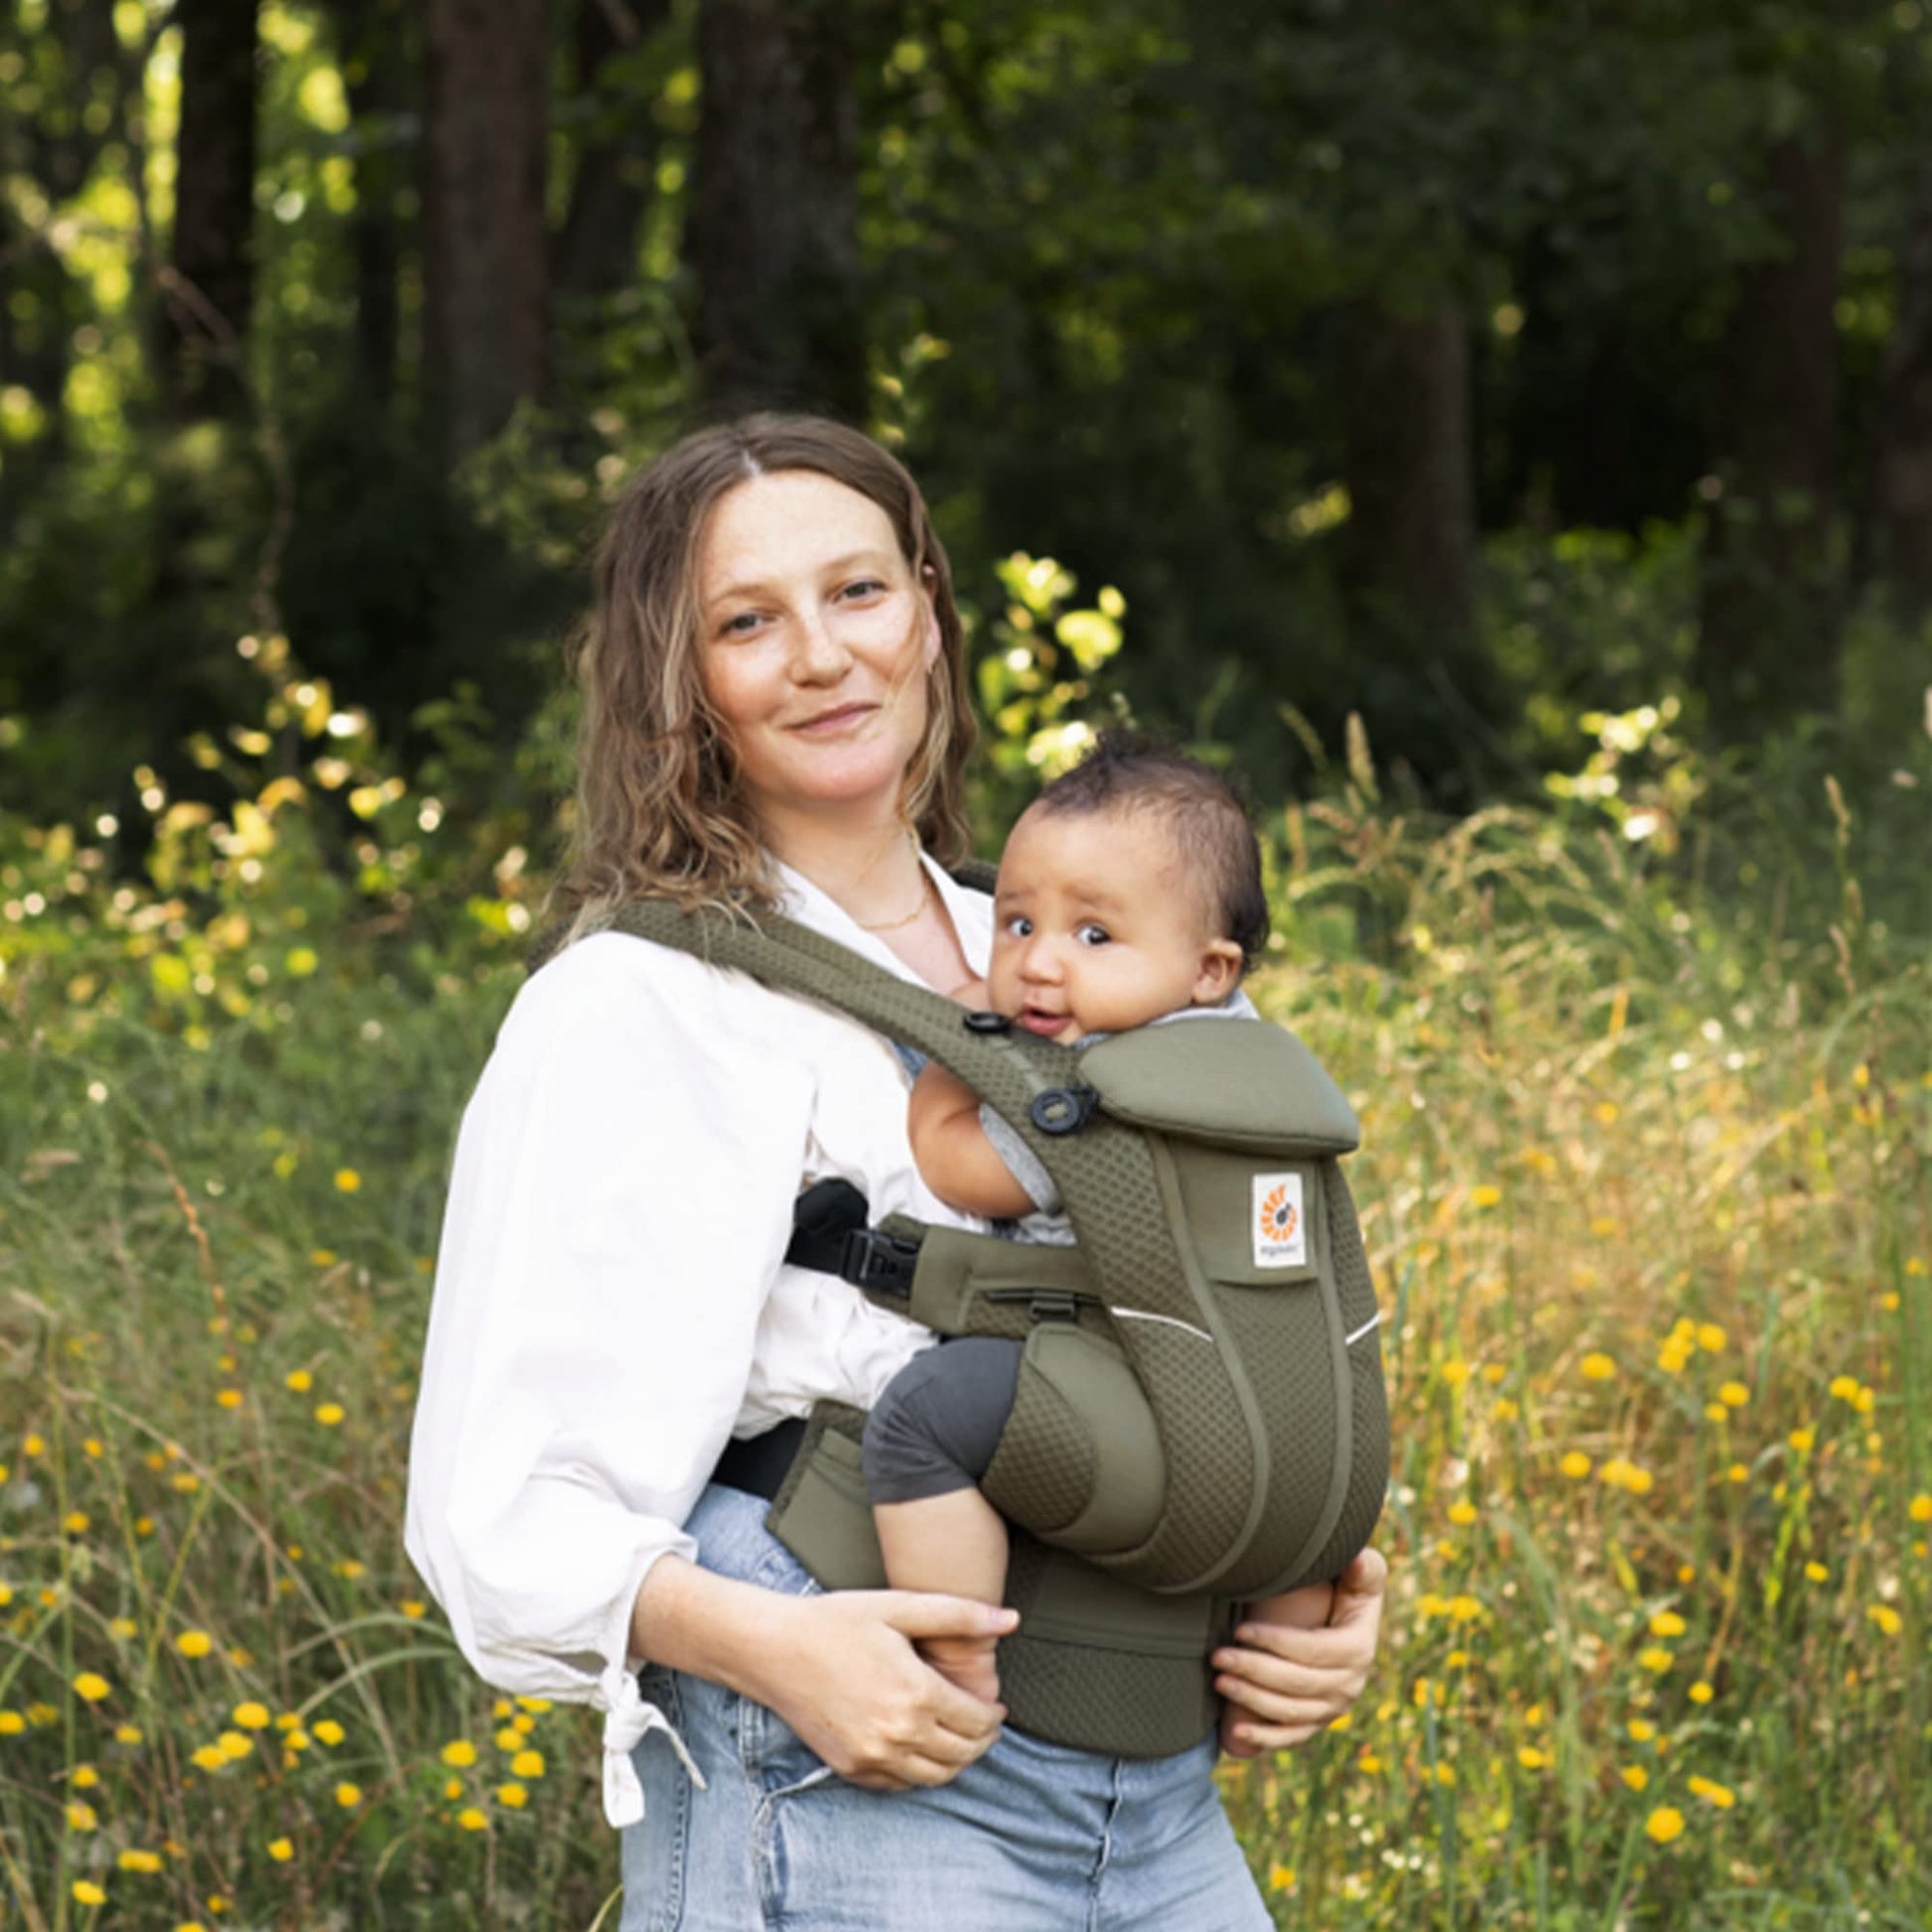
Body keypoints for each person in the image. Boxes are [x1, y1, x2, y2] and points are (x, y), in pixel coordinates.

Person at [404, 414, 1387, 1930]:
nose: (818, 654)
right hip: (852, 1759)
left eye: (856, 592)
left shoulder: (1072, 947)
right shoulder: (641, 1003)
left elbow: (1213, 1297)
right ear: (682, 688)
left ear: (928, 611)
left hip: (1154, 1767)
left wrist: (1308, 1586)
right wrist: (779, 1654)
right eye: (747, 621)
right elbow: (504, 1510)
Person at [865, 736, 1337, 1708]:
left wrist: (954, 1058)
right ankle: (1264, 1674)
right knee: (1307, 1490)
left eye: (1091, 937)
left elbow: (959, 1170)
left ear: (1208, 967)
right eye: (1016, 923)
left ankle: (957, 1654)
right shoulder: (1251, 1055)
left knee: (919, 1416)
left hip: (1135, 1378)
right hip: (1280, 1399)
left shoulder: (1095, 1085)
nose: (1037, 964)